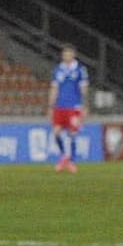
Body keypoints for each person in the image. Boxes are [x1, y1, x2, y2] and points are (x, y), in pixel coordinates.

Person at [47, 44, 89, 173]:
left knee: (72, 134)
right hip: (60, 106)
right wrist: (50, 106)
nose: (66, 56)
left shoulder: (80, 70)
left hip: (74, 106)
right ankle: (65, 156)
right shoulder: (57, 70)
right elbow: (54, 89)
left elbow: (84, 89)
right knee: (56, 133)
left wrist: (85, 106)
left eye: (69, 53)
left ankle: (72, 162)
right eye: (64, 53)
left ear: (73, 55)